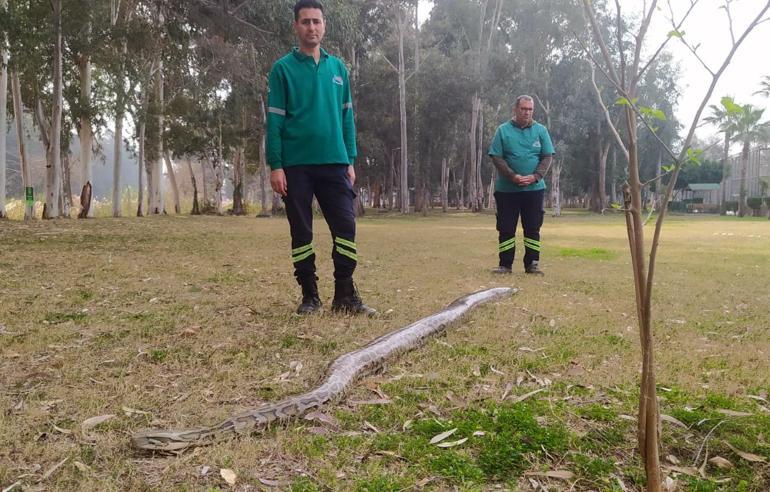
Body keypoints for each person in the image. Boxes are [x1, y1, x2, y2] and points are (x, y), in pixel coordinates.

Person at [266, 0, 375, 316]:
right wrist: (276, 165)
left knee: (346, 227)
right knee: (301, 232)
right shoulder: (282, 69)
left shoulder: (338, 68)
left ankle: (345, 295)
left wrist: (350, 159)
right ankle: (309, 296)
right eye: (305, 22)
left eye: (316, 21)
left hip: (335, 163)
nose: (311, 27)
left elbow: (347, 118)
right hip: (296, 165)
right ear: (296, 27)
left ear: (324, 25)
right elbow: (274, 120)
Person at [488, 95, 555, 275]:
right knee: (506, 228)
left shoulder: (541, 130)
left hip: (534, 190)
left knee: (533, 227)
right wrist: (512, 176)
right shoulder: (503, 130)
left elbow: (547, 156)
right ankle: (505, 265)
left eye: (530, 109)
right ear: (515, 109)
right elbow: (496, 157)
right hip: (507, 190)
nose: (527, 112)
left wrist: (536, 176)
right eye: (523, 109)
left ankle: (532, 264)